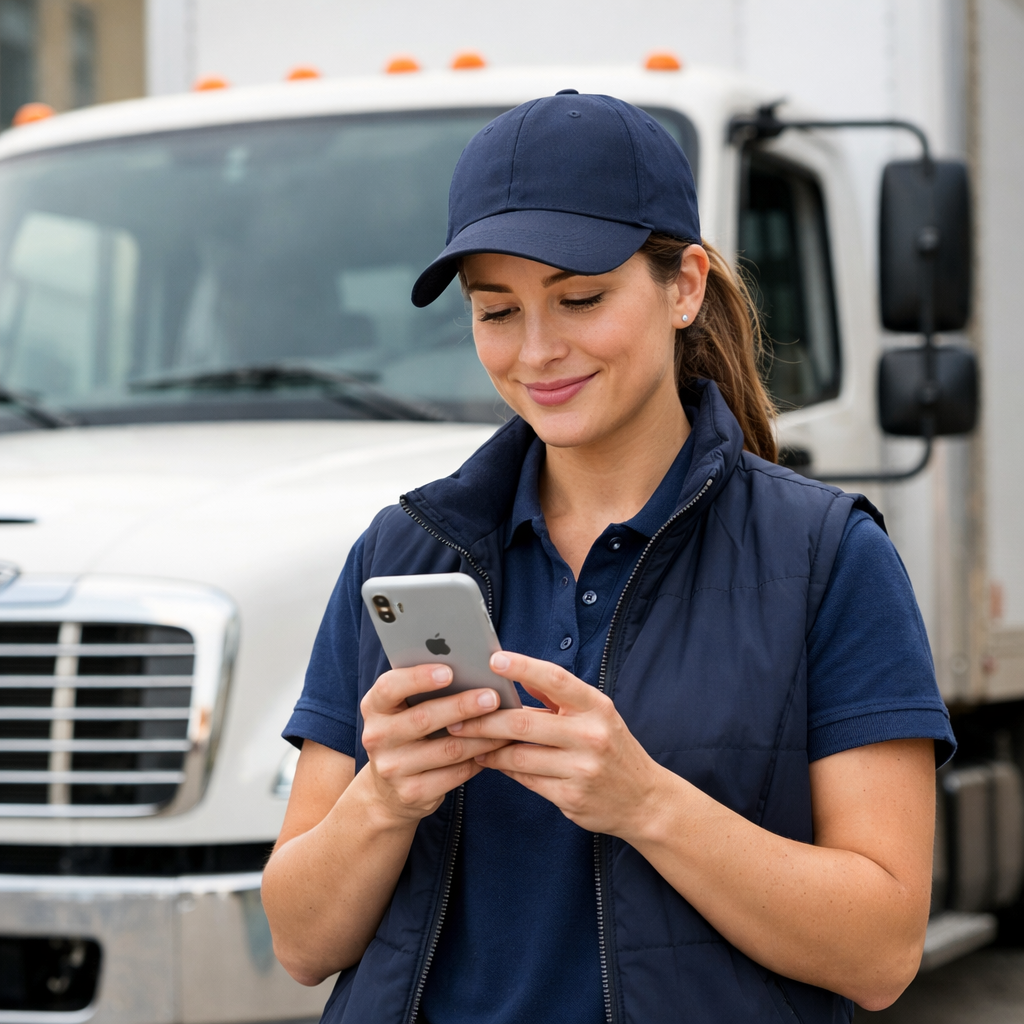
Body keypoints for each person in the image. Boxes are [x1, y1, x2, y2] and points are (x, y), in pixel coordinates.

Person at [261, 92, 956, 1024]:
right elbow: (303, 945)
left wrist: (644, 802)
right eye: (496, 310)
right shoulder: (403, 551)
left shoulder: (828, 558)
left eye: (580, 298)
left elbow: (881, 953)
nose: (538, 352)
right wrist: (382, 799)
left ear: (685, 286)